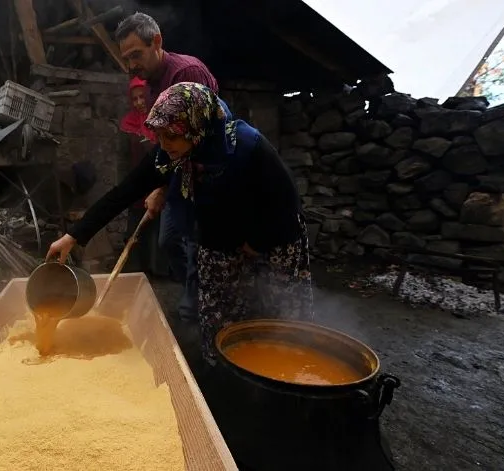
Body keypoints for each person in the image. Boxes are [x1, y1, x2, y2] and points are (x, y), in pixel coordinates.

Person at [47, 83, 314, 365]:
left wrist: (257, 243)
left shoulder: (248, 147)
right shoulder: (169, 154)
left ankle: (285, 373)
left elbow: (285, 203)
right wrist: (74, 236)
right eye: (159, 135)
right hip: (219, 237)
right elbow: (124, 192)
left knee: (280, 319)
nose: (163, 144)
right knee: (219, 317)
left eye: (171, 135)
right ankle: (222, 374)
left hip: (273, 235)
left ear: (196, 126)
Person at [115, 12, 219, 323]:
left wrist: (160, 187)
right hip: (177, 173)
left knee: (196, 241)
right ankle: (195, 289)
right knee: (169, 239)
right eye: (126, 58)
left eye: (136, 54)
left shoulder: (186, 73)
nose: (131, 65)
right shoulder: (152, 83)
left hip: (204, 175)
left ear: (157, 42)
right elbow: (165, 143)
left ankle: (199, 306)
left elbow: (195, 142)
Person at [119, 77, 168, 277]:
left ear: (150, 96)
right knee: (135, 229)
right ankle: (136, 271)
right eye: (135, 99)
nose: (139, 102)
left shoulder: (160, 121)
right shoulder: (127, 123)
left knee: (159, 229)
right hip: (137, 184)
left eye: (142, 97)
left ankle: (160, 271)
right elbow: (123, 157)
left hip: (158, 183)